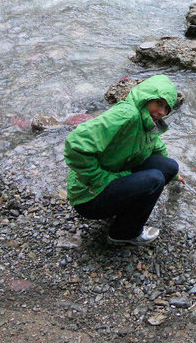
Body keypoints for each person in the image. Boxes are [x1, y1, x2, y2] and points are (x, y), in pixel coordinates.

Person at [64, 74, 183, 246]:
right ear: (146, 96)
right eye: (159, 103)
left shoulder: (146, 120)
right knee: (155, 180)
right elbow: (75, 144)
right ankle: (123, 233)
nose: (162, 112)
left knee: (169, 167)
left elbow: (156, 145)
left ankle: (125, 210)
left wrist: (174, 175)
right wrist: (100, 179)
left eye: (166, 108)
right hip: (89, 196)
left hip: (113, 175)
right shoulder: (127, 114)